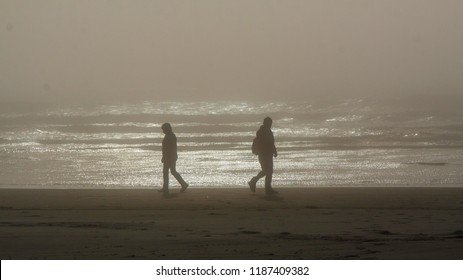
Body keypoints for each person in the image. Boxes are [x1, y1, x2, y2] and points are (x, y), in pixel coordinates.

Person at [248, 117, 278, 195]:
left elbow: (271, 143)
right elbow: (270, 143)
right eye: (269, 123)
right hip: (264, 154)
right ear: (266, 123)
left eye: (270, 123)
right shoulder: (264, 132)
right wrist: (274, 151)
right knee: (267, 171)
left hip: (266, 154)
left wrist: (274, 151)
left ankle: (266, 187)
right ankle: (256, 182)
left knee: (268, 171)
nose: (270, 125)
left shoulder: (263, 131)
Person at [160, 123, 188, 193]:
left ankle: (166, 188)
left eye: (163, 129)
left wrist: (165, 157)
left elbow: (169, 148)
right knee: (172, 171)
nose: (163, 131)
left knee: (167, 172)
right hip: (171, 156)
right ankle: (183, 184)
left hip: (169, 157)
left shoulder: (170, 136)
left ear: (167, 129)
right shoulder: (170, 135)